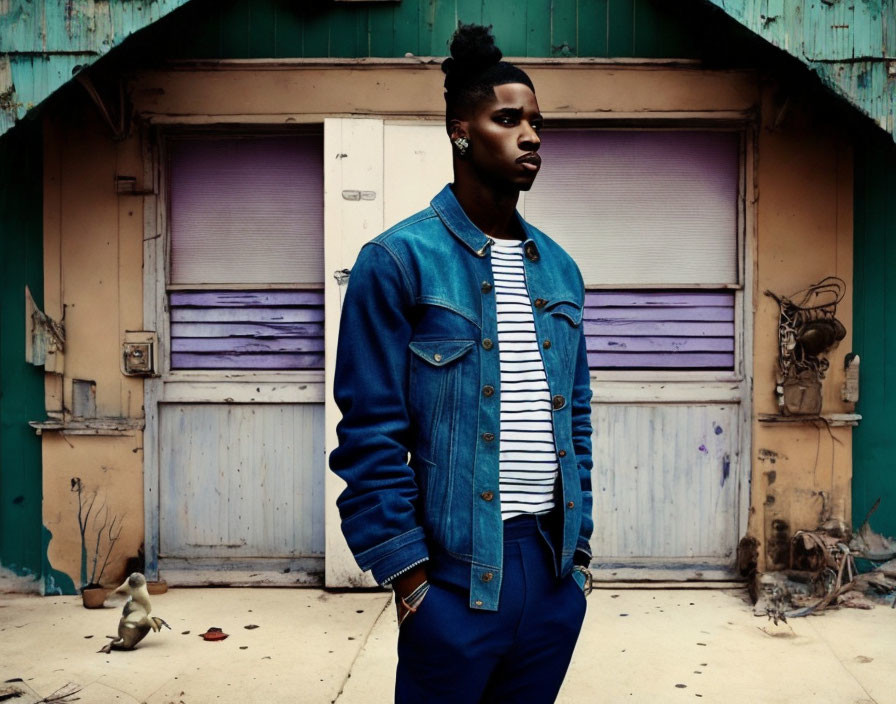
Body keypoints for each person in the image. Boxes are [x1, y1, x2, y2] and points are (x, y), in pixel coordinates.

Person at [329, 23, 594, 704]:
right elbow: (369, 432)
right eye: (508, 119)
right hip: (451, 578)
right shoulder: (396, 262)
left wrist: (580, 560)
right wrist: (410, 580)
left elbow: (579, 418)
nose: (530, 136)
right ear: (460, 131)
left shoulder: (561, 270)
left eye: (537, 122)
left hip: (551, 569)